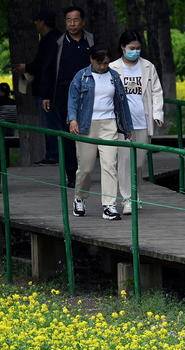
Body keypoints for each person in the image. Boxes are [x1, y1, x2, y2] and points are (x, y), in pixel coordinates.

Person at [67, 44, 133, 220]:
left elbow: (122, 103)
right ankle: (79, 198)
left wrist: (127, 127)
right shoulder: (81, 76)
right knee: (86, 168)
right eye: (100, 63)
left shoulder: (114, 77)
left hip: (109, 124)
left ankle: (109, 205)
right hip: (86, 125)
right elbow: (72, 99)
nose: (103, 66)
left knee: (109, 165)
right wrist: (72, 119)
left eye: (106, 63)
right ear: (92, 60)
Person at [108, 30, 163, 215]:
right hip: (123, 124)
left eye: (138, 48)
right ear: (123, 48)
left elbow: (156, 91)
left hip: (142, 121)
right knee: (124, 162)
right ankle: (127, 199)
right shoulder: (113, 68)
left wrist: (157, 113)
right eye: (132, 48)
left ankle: (136, 192)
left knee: (138, 163)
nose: (135, 51)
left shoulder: (148, 67)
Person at [39, 5, 93, 187]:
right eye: (69, 20)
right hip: (64, 95)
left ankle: (85, 171)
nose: (72, 24)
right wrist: (46, 95)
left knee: (88, 133)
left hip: (88, 94)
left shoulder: (90, 41)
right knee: (68, 134)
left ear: (83, 21)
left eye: (76, 20)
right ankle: (72, 176)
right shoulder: (58, 43)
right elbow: (48, 69)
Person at [13, 9, 63, 164]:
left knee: (50, 124)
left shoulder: (50, 40)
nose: (35, 24)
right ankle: (54, 153)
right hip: (49, 88)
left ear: (42, 22)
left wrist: (26, 67)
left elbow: (43, 65)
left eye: (37, 20)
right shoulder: (55, 39)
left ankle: (54, 154)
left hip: (46, 90)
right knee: (52, 123)